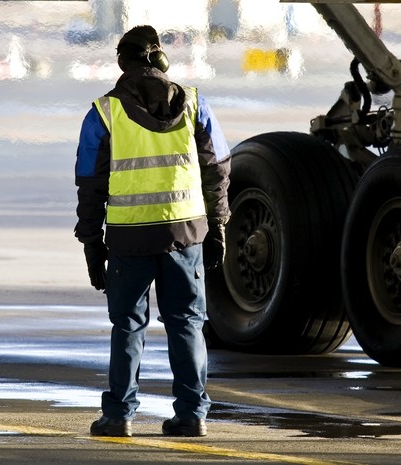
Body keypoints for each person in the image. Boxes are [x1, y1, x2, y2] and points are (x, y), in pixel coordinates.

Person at [74, 25, 231, 438]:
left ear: (123, 63)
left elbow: (90, 183)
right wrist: (217, 225)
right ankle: (193, 414)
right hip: (186, 234)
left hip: (130, 238)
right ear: (161, 60)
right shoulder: (196, 104)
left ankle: (118, 416)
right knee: (187, 323)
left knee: (128, 325)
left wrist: (92, 243)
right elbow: (218, 169)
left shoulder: (103, 113)